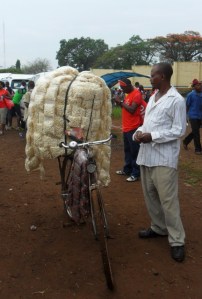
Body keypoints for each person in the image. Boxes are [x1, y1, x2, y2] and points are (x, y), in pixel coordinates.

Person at [133, 62, 187, 262]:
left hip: (164, 158)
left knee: (168, 200)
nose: (150, 78)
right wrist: (139, 133)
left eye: (152, 75)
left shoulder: (176, 100)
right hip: (147, 156)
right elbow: (147, 124)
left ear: (162, 76)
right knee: (151, 196)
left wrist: (152, 136)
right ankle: (158, 227)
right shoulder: (153, 98)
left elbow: (179, 130)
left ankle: (177, 240)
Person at [114, 78, 145, 182]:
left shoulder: (137, 94)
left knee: (134, 151)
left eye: (123, 88)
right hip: (126, 127)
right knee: (127, 150)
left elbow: (132, 110)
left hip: (133, 127)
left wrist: (121, 102)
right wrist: (119, 102)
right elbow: (125, 107)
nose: (122, 90)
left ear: (128, 85)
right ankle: (127, 170)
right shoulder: (128, 94)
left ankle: (135, 173)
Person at [182, 79, 202, 154]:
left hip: (200, 116)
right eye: (198, 85)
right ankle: (198, 149)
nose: (200, 86)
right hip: (193, 116)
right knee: (196, 133)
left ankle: (186, 141)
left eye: (200, 85)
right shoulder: (190, 95)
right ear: (194, 87)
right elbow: (187, 106)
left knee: (195, 131)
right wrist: (185, 117)